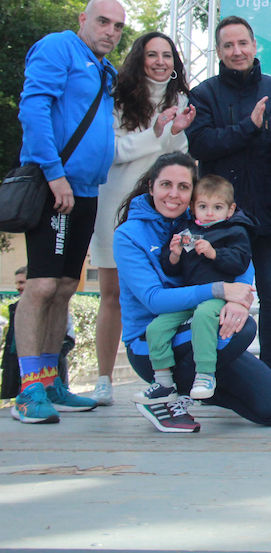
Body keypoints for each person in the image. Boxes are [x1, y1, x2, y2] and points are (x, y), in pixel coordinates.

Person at [114, 153, 271, 432]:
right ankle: (167, 394)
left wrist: (238, 301)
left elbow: (241, 254)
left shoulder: (202, 217)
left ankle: (200, 385)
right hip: (153, 341)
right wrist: (219, 290)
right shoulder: (129, 234)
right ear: (151, 186)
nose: (174, 194)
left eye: (183, 187)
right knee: (243, 329)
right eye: (165, 185)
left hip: (202, 326)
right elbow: (153, 300)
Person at [12, 0, 123, 424]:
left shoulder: (105, 69)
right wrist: (54, 173)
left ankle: (49, 381)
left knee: (63, 287)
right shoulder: (59, 46)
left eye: (117, 26)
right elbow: (34, 108)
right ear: (83, 19)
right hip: (53, 185)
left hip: (86, 190)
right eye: (103, 22)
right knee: (40, 285)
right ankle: (27, 390)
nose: (110, 32)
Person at [186, 16, 271, 378]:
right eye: (229, 45)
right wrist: (248, 126)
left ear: (255, 45)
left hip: (270, 211)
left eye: (243, 43)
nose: (237, 51)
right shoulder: (203, 94)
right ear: (218, 51)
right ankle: (212, 371)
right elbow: (201, 145)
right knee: (216, 294)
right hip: (221, 218)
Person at [89, 31, 194, 405]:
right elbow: (112, 151)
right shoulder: (117, 96)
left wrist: (174, 133)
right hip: (117, 204)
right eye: (152, 54)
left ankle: (168, 377)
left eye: (167, 55)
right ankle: (103, 379)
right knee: (113, 294)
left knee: (167, 285)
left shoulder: (180, 99)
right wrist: (156, 132)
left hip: (162, 208)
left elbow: (177, 158)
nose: (160, 62)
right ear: (139, 58)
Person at [137, 175, 256, 403]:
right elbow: (171, 270)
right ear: (192, 208)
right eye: (203, 207)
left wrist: (215, 253)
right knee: (156, 328)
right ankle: (163, 380)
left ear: (230, 210)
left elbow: (241, 262)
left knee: (203, 316)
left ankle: (205, 373)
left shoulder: (235, 230)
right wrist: (174, 256)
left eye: (217, 207)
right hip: (190, 296)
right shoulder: (188, 230)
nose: (209, 213)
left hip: (218, 297)